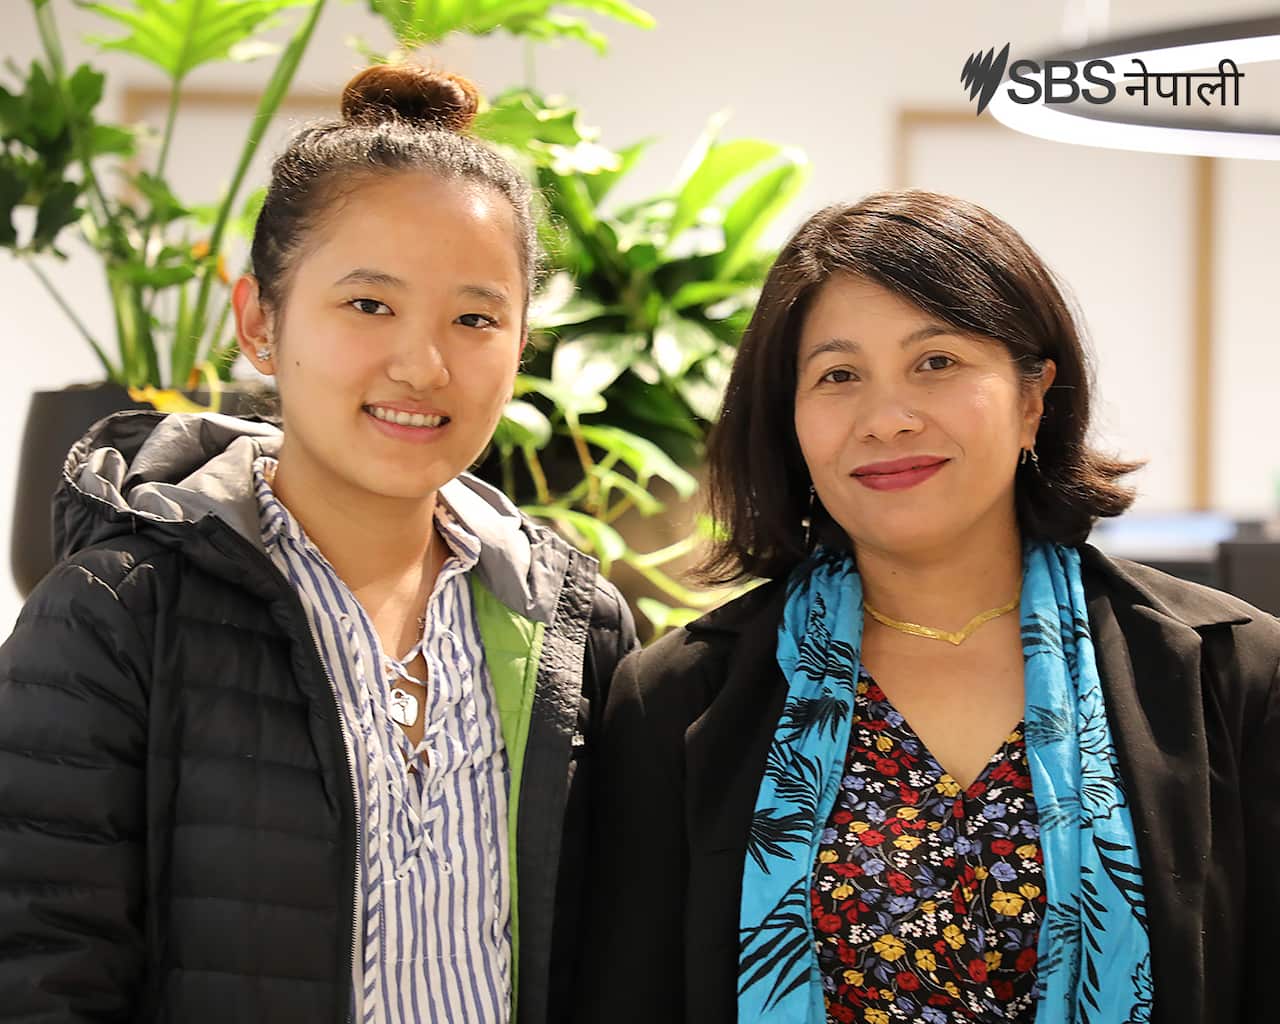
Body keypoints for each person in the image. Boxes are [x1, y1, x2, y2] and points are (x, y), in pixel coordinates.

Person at [0, 64, 635, 1024]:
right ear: (260, 322)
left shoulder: (571, 626)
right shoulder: (116, 616)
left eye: (475, 318)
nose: (423, 365)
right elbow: (38, 974)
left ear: (521, 344)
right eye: (369, 304)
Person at [579, 190, 1279, 1024]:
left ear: (1032, 398)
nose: (887, 418)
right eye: (838, 376)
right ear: (789, 420)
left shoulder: (1233, 674)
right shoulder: (679, 699)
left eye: (936, 363)